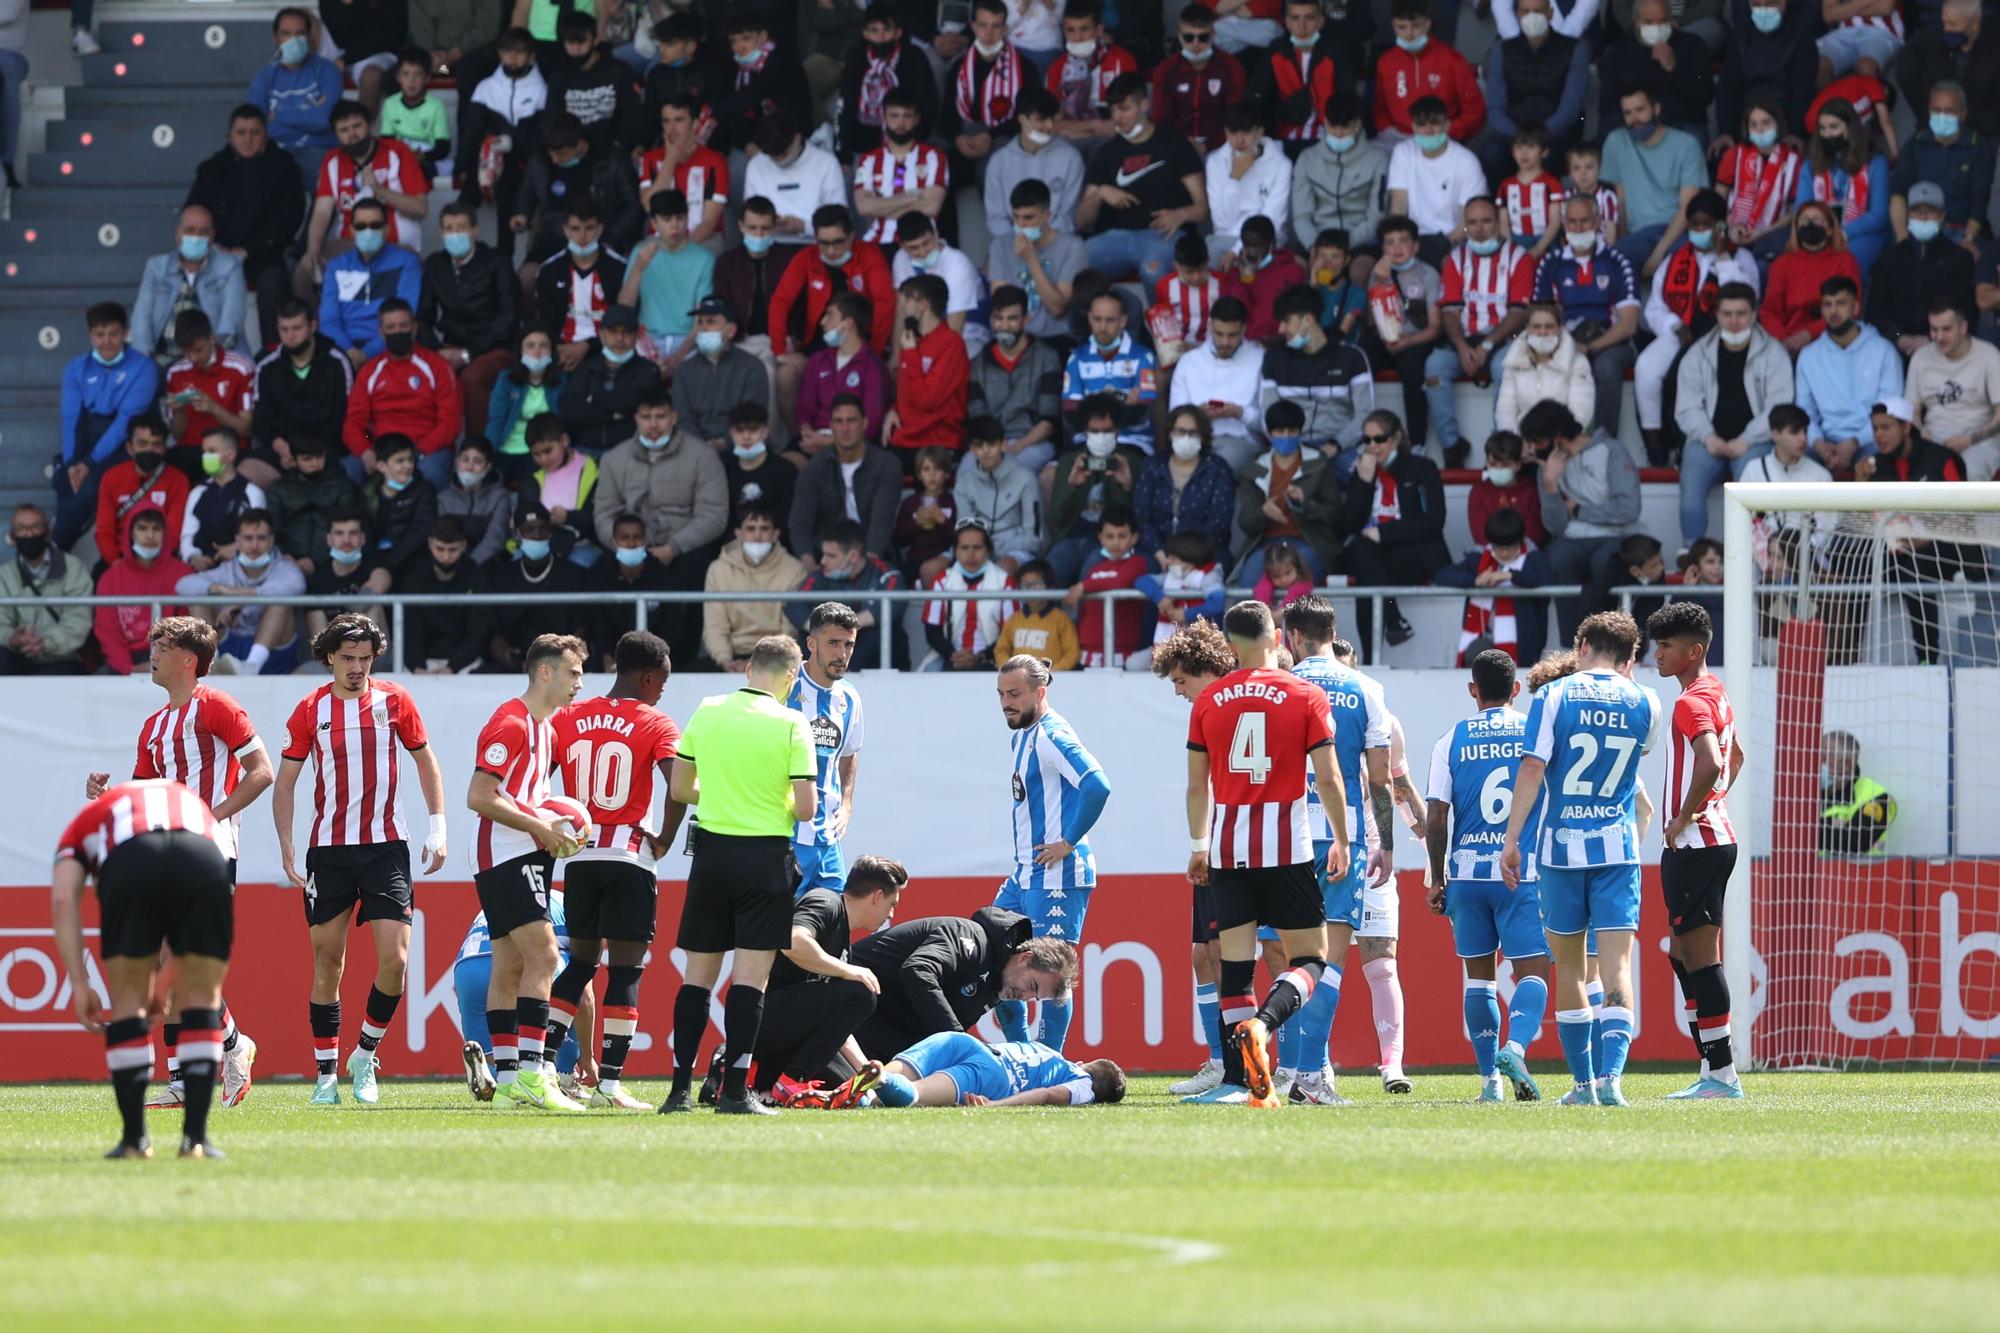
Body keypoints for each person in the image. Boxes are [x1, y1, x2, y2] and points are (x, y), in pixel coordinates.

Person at [82, 615, 270, 1111]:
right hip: (168, 851)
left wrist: (213, 813)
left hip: (210, 848)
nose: (152, 654)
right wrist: (109, 795)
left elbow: (262, 772)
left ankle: (232, 1047)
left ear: (189, 659)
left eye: (161, 647)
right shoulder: (155, 726)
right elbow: (148, 792)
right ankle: (191, 1078)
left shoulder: (218, 706)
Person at [270, 614, 446, 1107]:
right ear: (329, 657)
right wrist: (286, 846)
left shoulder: (395, 701)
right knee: (328, 963)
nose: (357, 667)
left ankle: (365, 1054)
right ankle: (326, 1073)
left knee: (396, 960)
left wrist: (439, 827)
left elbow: (425, 760)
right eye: (347, 658)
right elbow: (285, 783)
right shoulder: (310, 709)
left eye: (365, 659)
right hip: (328, 850)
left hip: (387, 845)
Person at [1182, 599, 1349, 1106]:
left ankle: (1236, 1084)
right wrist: (1341, 838)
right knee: (1311, 958)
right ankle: (1265, 1024)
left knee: (1234, 968)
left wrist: (1198, 846)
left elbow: (1196, 787)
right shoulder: (1306, 694)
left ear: (1230, 647)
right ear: (1278, 636)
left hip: (1228, 851)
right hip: (1287, 849)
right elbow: (1328, 775)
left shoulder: (1208, 700)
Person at [1501, 611, 1661, 1107]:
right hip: (1618, 851)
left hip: (1561, 851)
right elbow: (1635, 769)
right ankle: (1613, 1080)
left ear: (1583, 643)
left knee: (1570, 971)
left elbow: (1532, 768)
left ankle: (1584, 1085)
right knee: (1616, 971)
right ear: (1630, 655)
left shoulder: (1554, 695)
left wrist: (1511, 839)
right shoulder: (1647, 701)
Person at [662, 636, 817, 1116]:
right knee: (751, 983)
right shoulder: (793, 722)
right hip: (765, 859)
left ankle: (678, 1092)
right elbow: (807, 808)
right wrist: (772, 798)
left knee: (697, 980)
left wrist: (724, 791)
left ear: (749, 669)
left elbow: (681, 787)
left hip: (711, 856)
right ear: (792, 677)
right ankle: (734, 1091)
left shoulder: (707, 710)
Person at [53, 779, 237, 1159]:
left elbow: (62, 899)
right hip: (202, 857)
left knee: (128, 1002)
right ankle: (196, 1141)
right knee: (202, 1000)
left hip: (131, 860)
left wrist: (79, 981)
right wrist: (168, 985)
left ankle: (135, 1141)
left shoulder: (89, 818)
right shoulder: (189, 800)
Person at [543, 630, 686, 1112]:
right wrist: (664, 838)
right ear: (647, 677)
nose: (663, 690)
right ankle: (610, 1085)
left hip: (579, 858)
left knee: (580, 964)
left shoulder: (567, 717)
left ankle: (541, 1068)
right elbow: (681, 786)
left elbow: (538, 779)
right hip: (628, 857)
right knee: (625, 971)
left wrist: (553, 825)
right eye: (662, 681)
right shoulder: (656, 722)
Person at [1271, 596, 1394, 1101]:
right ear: (1331, 631)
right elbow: (1380, 778)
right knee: (1330, 961)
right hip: (1343, 839)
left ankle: (1293, 1069)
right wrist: (1382, 841)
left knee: (1290, 959)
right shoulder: (1367, 688)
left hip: (1284, 837)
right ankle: (1310, 1077)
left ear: (1293, 637)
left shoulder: (1281, 690)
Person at [464, 633, 589, 1112]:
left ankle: (510, 1079)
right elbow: (479, 796)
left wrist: (557, 826)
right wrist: (542, 825)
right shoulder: (510, 723)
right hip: (506, 853)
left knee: (510, 963)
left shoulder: (547, 728)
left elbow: (528, 794)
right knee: (544, 957)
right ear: (545, 672)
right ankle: (538, 1075)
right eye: (573, 673)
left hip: (523, 851)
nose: (579, 683)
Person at [1424, 648, 1552, 1101]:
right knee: (1534, 970)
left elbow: (1436, 816)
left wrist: (1438, 877)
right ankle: (1514, 1048)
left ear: (1472, 690)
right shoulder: (1533, 733)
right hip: (1521, 869)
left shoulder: (1451, 739)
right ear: (1516, 689)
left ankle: (1488, 1085)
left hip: (1466, 874)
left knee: (1479, 978)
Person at [1647, 600, 1746, 1099]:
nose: (1656, 653)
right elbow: (1737, 756)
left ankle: (1722, 1076)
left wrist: (1688, 815)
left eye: (1666, 646)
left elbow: (1710, 761)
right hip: (1704, 842)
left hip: (1697, 845)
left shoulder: (1691, 702)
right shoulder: (1713, 693)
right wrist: (1711, 806)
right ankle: (1711, 1069)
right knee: (1682, 954)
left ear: (1695, 650)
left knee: (1700, 957)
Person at [988, 652, 1106, 1043]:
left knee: (1052, 975)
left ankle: (1048, 1061)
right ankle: (1022, 1052)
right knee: (995, 959)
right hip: (1025, 875)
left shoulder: (1052, 734)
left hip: (1057, 875)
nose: (1007, 701)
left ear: (1040, 692)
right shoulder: (1021, 735)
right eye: (1002, 693)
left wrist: (1068, 842)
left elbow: (1097, 785)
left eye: (1015, 693)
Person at [751, 856, 907, 1107]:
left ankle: (755, 1079)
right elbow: (793, 941)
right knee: (861, 990)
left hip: (787, 1032)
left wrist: (864, 1068)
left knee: (852, 1087)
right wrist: (849, 971)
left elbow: (835, 1025)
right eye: (892, 903)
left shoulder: (843, 940)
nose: (891, 913)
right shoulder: (827, 901)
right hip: (764, 1022)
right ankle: (790, 1080)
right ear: (877, 896)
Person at [592, 386, 729, 660]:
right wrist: (624, 546)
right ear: (636, 419)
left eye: (660, 416)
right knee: (597, 575)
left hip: (681, 549)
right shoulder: (614, 458)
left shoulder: (702, 456)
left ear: (674, 417)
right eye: (646, 416)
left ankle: (686, 658)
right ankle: (606, 656)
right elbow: (604, 514)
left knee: (697, 568)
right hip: (629, 546)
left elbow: (714, 515)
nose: (653, 424)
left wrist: (673, 548)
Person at [1632, 190, 1760, 463]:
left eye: (1707, 224)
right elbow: (1655, 308)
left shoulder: (1741, 260)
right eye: (1695, 225)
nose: (1701, 230)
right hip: (1680, 334)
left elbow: (1745, 300)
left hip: (1726, 337)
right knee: (1646, 367)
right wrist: (1675, 325)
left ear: (1720, 225)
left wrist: (1724, 257)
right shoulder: (1673, 260)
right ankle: (1655, 446)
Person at [846, 905, 1070, 1058]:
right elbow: (918, 971)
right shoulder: (971, 938)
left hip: (874, 1027)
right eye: (1032, 986)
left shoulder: (994, 986)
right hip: (838, 1004)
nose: (1025, 997)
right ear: (1024, 958)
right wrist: (960, 1043)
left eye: (1034, 998)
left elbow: (934, 1034)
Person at [1675, 282, 1796, 544]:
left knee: (1749, 494)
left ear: (1754, 314)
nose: (1734, 321)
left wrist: (1747, 439)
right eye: (1727, 314)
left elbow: (1780, 406)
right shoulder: (1697, 354)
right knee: (1690, 489)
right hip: (1707, 441)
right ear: (1717, 315)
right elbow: (1686, 408)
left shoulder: (1774, 354)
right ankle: (1692, 554)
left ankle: (1753, 557)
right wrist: (1709, 438)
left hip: (1754, 442)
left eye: (1741, 313)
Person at [1519, 401, 1643, 646]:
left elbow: (1629, 509)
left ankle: (1608, 643)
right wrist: (1551, 484)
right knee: (1558, 559)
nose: (1533, 449)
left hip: (1615, 535)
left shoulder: (1612, 450)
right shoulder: (1546, 469)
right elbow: (1555, 526)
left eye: (1538, 441)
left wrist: (1578, 509)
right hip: (1572, 538)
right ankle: (1571, 646)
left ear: (1557, 437)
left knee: (1604, 562)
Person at [185, 105, 308, 352]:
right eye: (241, 133)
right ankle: (202, 354)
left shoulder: (285, 168)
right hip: (216, 253)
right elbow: (194, 211)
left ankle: (273, 354)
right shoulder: (212, 170)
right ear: (229, 136)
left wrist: (247, 251)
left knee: (272, 284)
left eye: (255, 132)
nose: (248, 139)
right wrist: (214, 246)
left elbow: (287, 221)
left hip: (264, 256)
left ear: (266, 135)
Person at [1077, 73, 1207, 289]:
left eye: (1124, 109)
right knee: (1070, 265)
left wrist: (1181, 215)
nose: (1117, 117)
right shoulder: (1105, 153)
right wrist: (1100, 194)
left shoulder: (1175, 144)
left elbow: (1202, 207)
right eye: (1113, 110)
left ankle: (1160, 323)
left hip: (1163, 236)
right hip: (1114, 237)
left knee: (1152, 270)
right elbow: (1082, 221)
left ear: (1144, 105)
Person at [1432, 196, 1535, 467]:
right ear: (1464, 226)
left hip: (1503, 340)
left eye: (1486, 221)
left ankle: (1500, 446)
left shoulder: (1519, 257)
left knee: (1504, 368)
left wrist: (1487, 344)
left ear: (1498, 223)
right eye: (1472, 223)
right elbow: (1449, 312)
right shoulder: (1455, 259)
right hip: (1464, 341)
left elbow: (1518, 313)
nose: (1479, 229)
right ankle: (1451, 445)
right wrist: (1461, 347)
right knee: (1433, 369)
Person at [55, 303, 162, 555]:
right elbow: (70, 418)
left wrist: (89, 463)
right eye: (99, 335)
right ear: (90, 335)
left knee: (93, 485)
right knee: (64, 481)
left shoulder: (144, 368)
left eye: (113, 334)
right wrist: (72, 462)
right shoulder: (75, 368)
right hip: (85, 443)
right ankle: (58, 554)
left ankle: (55, 547)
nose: (106, 342)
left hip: (122, 443)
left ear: (125, 333)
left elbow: (125, 421)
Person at [1532, 193, 1640, 440]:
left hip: (1612, 341)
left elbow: (1629, 325)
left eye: (1585, 221)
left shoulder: (1617, 261)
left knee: (1606, 368)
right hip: (1565, 339)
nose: (1578, 228)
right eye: (1572, 222)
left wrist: (1589, 348)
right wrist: (1568, 346)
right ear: (1564, 223)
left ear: (1598, 221)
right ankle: (1553, 443)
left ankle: (1603, 444)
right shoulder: (1550, 263)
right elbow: (1542, 319)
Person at [1341, 410, 1448, 656]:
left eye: (1379, 439)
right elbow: (1349, 525)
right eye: (1366, 440)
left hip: (1415, 553)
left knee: (1369, 573)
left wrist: (1385, 533)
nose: (1372, 446)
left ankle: (1369, 657)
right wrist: (1364, 482)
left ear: (1396, 437)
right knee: (1360, 552)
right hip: (1372, 554)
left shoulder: (1422, 468)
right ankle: (1393, 619)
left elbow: (1433, 523)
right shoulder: (1362, 471)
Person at [782, 603, 867, 897]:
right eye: (833, 643)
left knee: (832, 929)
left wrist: (846, 803)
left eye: (849, 644)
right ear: (811, 644)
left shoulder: (850, 698)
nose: (842, 654)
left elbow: (849, 753)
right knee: (780, 935)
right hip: (786, 837)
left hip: (828, 840)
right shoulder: (785, 689)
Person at [420, 204, 519, 437]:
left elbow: (509, 317)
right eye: (449, 228)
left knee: (472, 379)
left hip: (493, 347)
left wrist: (469, 353)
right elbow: (423, 316)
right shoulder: (434, 265)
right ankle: (433, 450)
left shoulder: (497, 262)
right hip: (449, 346)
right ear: (441, 234)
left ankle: (478, 450)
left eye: (461, 228)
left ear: (475, 231)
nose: (455, 234)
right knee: (428, 376)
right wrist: (436, 353)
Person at [1796, 276, 1905, 471]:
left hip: (1872, 442)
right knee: (1790, 458)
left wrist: (1855, 442)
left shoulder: (1883, 351)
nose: (1833, 311)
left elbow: (1891, 409)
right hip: (1824, 444)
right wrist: (1819, 445)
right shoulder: (1808, 356)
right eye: (1827, 304)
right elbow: (1804, 412)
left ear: (1856, 308)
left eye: (1841, 303)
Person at [1599, 84, 1708, 278]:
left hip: (1679, 231)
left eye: (1640, 110)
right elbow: (1621, 200)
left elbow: (1688, 207)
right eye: (1628, 113)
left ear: (1656, 109)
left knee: (1693, 257)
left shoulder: (1686, 144)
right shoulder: (1615, 142)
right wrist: (1623, 240)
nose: (1635, 119)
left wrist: (1659, 252)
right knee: (1610, 260)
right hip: (1639, 234)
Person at [864, 1031, 1125, 1108]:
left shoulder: (1053, 1054)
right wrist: (994, 1106)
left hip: (965, 1042)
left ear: (1083, 1063)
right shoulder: (1083, 1085)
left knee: (885, 1080)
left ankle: (862, 1093)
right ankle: (883, 1082)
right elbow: (1047, 1094)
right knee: (915, 1094)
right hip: (993, 1074)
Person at [1867, 185, 1980, 361]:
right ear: (1908, 214)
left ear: (1942, 215)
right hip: (1894, 351)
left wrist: (1931, 338)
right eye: (1916, 211)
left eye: (1930, 211)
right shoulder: (1889, 258)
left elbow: (1968, 311)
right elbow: (1875, 310)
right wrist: (1899, 337)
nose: (1922, 216)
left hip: (1946, 350)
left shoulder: (1960, 259)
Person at [1262, 285, 1376, 456]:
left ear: (1308, 319)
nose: (1280, 329)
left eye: (1286, 321)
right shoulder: (1274, 358)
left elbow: (1365, 414)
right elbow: (1267, 415)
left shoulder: (1351, 357)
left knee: (1358, 476)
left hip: (1340, 448)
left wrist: (1337, 445)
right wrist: (1289, 445)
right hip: (1289, 447)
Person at [791, 396, 904, 568]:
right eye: (838, 421)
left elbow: (882, 521)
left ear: (864, 423)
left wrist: (867, 567)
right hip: (826, 558)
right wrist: (809, 565)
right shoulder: (814, 469)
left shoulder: (886, 465)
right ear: (831, 426)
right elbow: (800, 522)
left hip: (875, 558)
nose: (845, 428)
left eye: (851, 421)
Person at [1480, 0, 1589, 178]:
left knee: (1551, 157)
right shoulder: (1502, 50)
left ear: (1550, 13)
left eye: (1538, 11)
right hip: (1513, 134)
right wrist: (1521, 139)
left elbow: (1570, 109)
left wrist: (1538, 138)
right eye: (1526, 11)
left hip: (1556, 134)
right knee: (1491, 153)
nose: (1532, 17)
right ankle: (1501, 204)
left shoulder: (1576, 49)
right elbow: (1495, 108)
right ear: (1517, 15)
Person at [1436, 506, 1555, 665]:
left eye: (1510, 547)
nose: (1504, 553)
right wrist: (1475, 581)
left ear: (1520, 542)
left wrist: (1511, 576)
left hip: (1524, 645)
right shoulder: (1478, 560)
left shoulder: (1534, 559)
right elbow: (1442, 576)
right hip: (1484, 642)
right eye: (1499, 547)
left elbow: (1547, 577)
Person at [131, 207, 248, 364]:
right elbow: (141, 315)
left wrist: (215, 359)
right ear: (178, 233)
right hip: (163, 358)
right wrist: (143, 358)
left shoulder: (230, 265)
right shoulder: (156, 267)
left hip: (212, 359)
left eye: (203, 232)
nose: (196, 237)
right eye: (190, 230)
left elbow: (232, 318)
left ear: (212, 236)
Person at [318, 198, 427, 366]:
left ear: (387, 230)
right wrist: (349, 352)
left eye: (375, 225)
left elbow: (405, 316)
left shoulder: (407, 262)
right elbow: (328, 321)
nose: (368, 232)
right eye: (360, 226)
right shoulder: (336, 267)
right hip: (343, 349)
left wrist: (367, 353)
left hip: (391, 346)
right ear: (351, 231)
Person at [484, 504, 593, 671]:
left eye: (542, 529)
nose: (537, 535)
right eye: (529, 530)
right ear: (517, 534)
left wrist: (564, 659)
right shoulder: (501, 577)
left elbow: (582, 627)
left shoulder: (575, 575)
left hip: (563, 664)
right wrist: (505, 654)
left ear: (550, 532)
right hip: (514, 665)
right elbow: (494, 629)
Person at [701, 506, 807, 670]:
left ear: (775, 534)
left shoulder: (794, 569)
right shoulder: (718, 569)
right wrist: (725, 661)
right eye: (751, 529)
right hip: (733, 655)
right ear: (738, 533)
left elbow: (790, 628)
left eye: (764, 529)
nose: (757, 536)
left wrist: (766, 662)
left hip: (778, 657)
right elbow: (715, 624)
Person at [1383, 100, 1485, 269]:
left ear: (1446, 125)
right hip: (1412, 240)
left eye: (1435, 123)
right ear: (1413, 127)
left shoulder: (1466, 161)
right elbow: (1398, 205)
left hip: (1451, 240)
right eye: (1422, 124)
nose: (1428, 130)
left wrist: (1442, 246)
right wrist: (1402, 244)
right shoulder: (1402, 152)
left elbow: (1467, 222)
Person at [1795, 99, 1891, 276]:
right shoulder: (1811, 164)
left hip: (1862, 233)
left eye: (1834, 127)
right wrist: (1824, 232)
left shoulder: (1875, 162)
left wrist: (1844, 232)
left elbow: (1880, 214)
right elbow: (1802, 208)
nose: (1827, 134)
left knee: (1849, 259)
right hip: (1818, 232)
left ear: (1850, 128)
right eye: (1822, 128)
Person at [1907, 299, 2000, 482]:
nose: (1939, 337)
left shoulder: (1989, 355)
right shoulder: (1921, 357)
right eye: (1934, 329)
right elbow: (1911, 411)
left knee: (1968, 475)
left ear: (1963, 327)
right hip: (1932, 440)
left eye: (1946, 329)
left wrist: (1969, 439)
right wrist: (1922, 431)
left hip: (1978, 441)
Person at [248, 7, 344, 182]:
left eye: (299, 33)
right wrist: (309, 114)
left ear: (308, 36)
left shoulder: (327, 71)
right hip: (275, 151)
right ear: (276, 38)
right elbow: (254, 126)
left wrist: (278, 116)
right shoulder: (264, 78)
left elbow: (326, 119)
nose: (293, 40)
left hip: (319, 150)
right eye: (286, 33)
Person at [93, 508, 193, 677]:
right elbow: (108, 633)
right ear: (130, 533)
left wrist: (163, 660)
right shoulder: (110, 578)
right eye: (142, 528)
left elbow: (188, 630)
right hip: (124, 662)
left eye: (156, 528)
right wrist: (129, 669)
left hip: (173, 659)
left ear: (165, 532)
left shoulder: (183, 574)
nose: (149, 535)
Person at [1371, 0, 1485, 146]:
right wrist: (1386, 128)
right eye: (1401, 27)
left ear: (1428, 24)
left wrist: (1449, 130)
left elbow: (1474, 110)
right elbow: (1380, 109)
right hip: (1398, 137)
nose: (1409, 33)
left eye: (1416, 25)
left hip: (1441, 136)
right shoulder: (1385, 62)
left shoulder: (1452, 59)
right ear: (1393, 26)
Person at [984, 86, 1088, 244]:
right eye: (1041, 119)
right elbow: (996, 219)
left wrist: (1041, 241)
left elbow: (1069, 217)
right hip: (1013, 246)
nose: (1050, 126)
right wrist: (1020, 243)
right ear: (1021, 119)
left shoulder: (1071, 157)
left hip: (1058, 244)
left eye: (1052, 118)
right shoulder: (999, 162)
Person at [1289, 95, 1388, 262]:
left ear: (1358, 125)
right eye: (1333, 126)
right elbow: (1301, 214)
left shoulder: (1378, 159)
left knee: (1361, 268)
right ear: (1325, 123)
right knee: (1294, 267)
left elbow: (1376, 215)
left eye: (1345, 128)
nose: (1339, 133)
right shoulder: (1307, 158)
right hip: (1317, 237)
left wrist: (1342, 246)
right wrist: (1315, 245)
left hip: (1359, 240)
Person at [885, 275, 972, 458]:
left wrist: (910, 354)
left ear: (923, 304)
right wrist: (895, 409)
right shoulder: (912, 340)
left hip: (937, 443)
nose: (902, 308)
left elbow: (928, 400)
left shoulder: (951, 343)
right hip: (905, 439)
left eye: (907, 301)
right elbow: (907, 388)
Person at [0, 505, 92, 676]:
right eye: (21, 528)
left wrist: (46, 643)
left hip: (62, 659)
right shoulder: (4, 575)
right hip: (18, 656)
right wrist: (13, 638)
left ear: (48, 532)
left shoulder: (73, 568)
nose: (29, 534)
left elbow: (78, 621)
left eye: (35, 527)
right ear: (13, 537)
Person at [1759, 202, 1864, 352]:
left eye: (1817, 220)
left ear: (1829, 229)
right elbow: (1770, 311)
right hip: (1787, 344)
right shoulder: (1781, 264)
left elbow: (1853, 308)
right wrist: (1783, 340)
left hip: (1834, 339)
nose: (1810, 224)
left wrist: (1809, 333)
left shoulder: (1845, 261)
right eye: (1804, 220)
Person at [95, 418, 192, 574]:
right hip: (118, 559)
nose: (149, 450)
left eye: (156, 444)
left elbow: (174, 533)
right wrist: (116, 562)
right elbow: (104, 531)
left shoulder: (178, 480)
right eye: (142, 444)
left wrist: (154, 564)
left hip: (161, 558)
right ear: (130, 448)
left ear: (164, 448)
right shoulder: (112, 477)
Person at [674, 297, 771, 450]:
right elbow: (683, 419)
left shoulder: (751, 367)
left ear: (731, 330)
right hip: (694, 450)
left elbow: (753, 416)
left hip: (741, 447)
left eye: (711, 322)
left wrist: (724, 442)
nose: (704, 328)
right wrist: (701, 447)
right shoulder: (684, 370)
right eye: (700, 322)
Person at [1150, 4, 1247, 155]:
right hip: (1177, 147)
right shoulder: (1165, 69)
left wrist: (1208, 146)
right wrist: (1181, 145)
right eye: (1189, 37)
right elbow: (1161, 120)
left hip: (1223, 147)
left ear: (1213, 35)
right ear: (1179, 36)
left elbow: (1235, 119)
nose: (1195, 44)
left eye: (1203, 37)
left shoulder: (1231, 67)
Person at [398, 516, 490, 673]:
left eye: (452, 550)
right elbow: (411, 631)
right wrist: (417, 667)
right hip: (420, 664)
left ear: (464, 545)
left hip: (466, 664)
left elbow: (478, 634)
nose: (446, 557)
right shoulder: (414, 576)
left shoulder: (477, 576)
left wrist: (452, 667)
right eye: (440, 549)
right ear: (429, 544)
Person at [560, 304, 655, 453]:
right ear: (602, 334)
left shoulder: (648, 369)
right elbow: (569, 410)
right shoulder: (585, 368)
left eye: (627, 332)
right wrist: (611, 415)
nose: (619, 338)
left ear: (636, 336)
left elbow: (632, 404)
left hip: (631, 451)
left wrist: (592, 402)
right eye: (613, 331)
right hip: (585, 450)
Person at [1493, 302, 1591, 436]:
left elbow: (1580, 413)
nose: (1543, 332)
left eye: (1549, 327)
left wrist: (1550, 444)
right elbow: (1505, 411)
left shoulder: (1578, 363)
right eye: (1536, 327)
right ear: (1527, 329)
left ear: (1559, 329)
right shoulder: (1513, 362)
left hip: (1562, 443)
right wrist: (1516, 445)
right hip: (1523, 443)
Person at [181, 429, 269, 571]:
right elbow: (187, 536)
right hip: (201, 571)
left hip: (242, 570)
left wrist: (237, 548)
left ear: (231, 455)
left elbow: (261, 536)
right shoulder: (197, 493)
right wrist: (192, 557)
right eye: (204, 451)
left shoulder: (252, 492)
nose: (206, 456)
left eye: (212, 451)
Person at [1818, 729, 1896, 855]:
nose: (1818, 764)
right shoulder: (1809, 795)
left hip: (1864, 873)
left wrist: (1813, 826)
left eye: (1824, 758)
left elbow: (1856, 841)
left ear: (1846, 764)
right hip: (1816, 874)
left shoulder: (1877, 796)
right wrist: (1829, 824)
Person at [379, 47, 452, 169]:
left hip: (427, 159)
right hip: (399, 158)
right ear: (398, 77)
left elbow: (443, 148)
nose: (411, 81)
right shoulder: (390, 104)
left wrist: (421, 157)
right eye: (406, 74)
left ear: (427, 78)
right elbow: (386, 141)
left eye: (417, 75)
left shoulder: (436, 106)